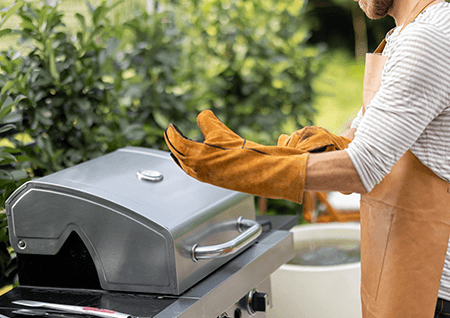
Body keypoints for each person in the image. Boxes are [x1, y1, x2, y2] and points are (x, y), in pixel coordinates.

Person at [164, 0, 450, 316]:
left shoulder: (428, 38)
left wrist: (240, 169)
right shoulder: (403, 36)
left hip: (437, 289)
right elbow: (359, 144)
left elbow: (361, 167)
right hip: (408, 268)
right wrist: (254, 151)